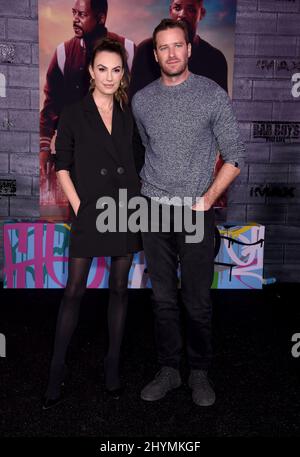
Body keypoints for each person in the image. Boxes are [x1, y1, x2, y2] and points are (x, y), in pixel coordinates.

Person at [131, 19, 244, 406]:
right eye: (163, 47)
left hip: (196, 213)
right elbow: (148, 148)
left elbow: (235, 157)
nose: (172, 53)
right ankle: (169, 370)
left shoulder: (212, 95)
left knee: (196, 300)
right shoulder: (142, 100)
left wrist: (208, 199)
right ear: (155, 53)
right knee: (162, 298)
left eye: (177, 45)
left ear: (189, 48)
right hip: (153, 210)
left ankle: (199, 373)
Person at [42, 38, 143, 410]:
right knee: (74, 290)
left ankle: (112, 364)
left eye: (116, 70)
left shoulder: (130, 113)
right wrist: (81, 205)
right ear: (90, 71)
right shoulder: (72, 112)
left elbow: (139, 160)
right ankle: (56, 368)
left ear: (123, 74)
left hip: (126, 209)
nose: (109, 76)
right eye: (102, 68)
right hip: (89, 211)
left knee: (119, 289)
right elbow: (62, 164)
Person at [40, 0, 135, 177]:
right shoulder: (63, 53)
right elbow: (51, 106)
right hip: (78, 156)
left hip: (119, 155)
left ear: (101, 18)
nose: (75, 19)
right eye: (73, 13)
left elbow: (140, 105)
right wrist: (44, 146)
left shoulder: (128, 50)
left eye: (82, 15)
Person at [129, 0, 228, 100]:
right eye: (177, 8)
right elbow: (132, 104)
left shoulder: (215, 59)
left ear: (201, 13)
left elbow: (221, 110)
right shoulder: (146, 50)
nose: (182, 14)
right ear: (170, 10)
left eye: (190, 9)